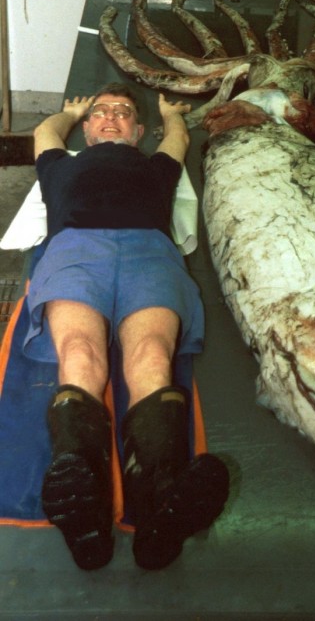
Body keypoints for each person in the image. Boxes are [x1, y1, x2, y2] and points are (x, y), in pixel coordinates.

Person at [27, 82, 229, 571]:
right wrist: (70, 114)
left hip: (149, 251)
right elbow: (45, 130)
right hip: (76, 250)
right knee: (79, 353)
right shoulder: (62, 165)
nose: (111, 117)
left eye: (122, 113)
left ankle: (162, 505)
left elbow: (176, 138)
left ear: (139, 131)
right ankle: (87, 515)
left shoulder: (155, 165)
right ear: (89, 129)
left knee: (154, 360)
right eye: (102, 113)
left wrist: (170, 113)